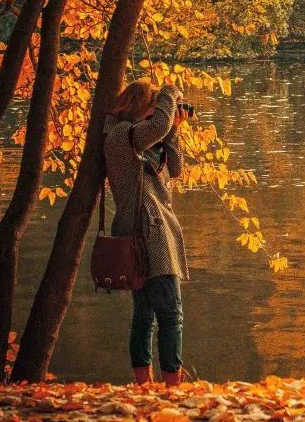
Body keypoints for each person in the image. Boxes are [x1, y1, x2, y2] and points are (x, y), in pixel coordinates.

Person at [104, 80, 191, 385]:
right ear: (140, 106)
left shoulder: (143, 141)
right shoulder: (120, 136)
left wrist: (174, 131)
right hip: (144, 234)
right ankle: (171, 385)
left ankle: (146, 384)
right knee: (171, 314)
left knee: (147, 315)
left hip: (155, 231)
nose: (159, 111)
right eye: (154, 104)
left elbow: (176, 169)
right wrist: (169, 93)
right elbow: (157, 127)